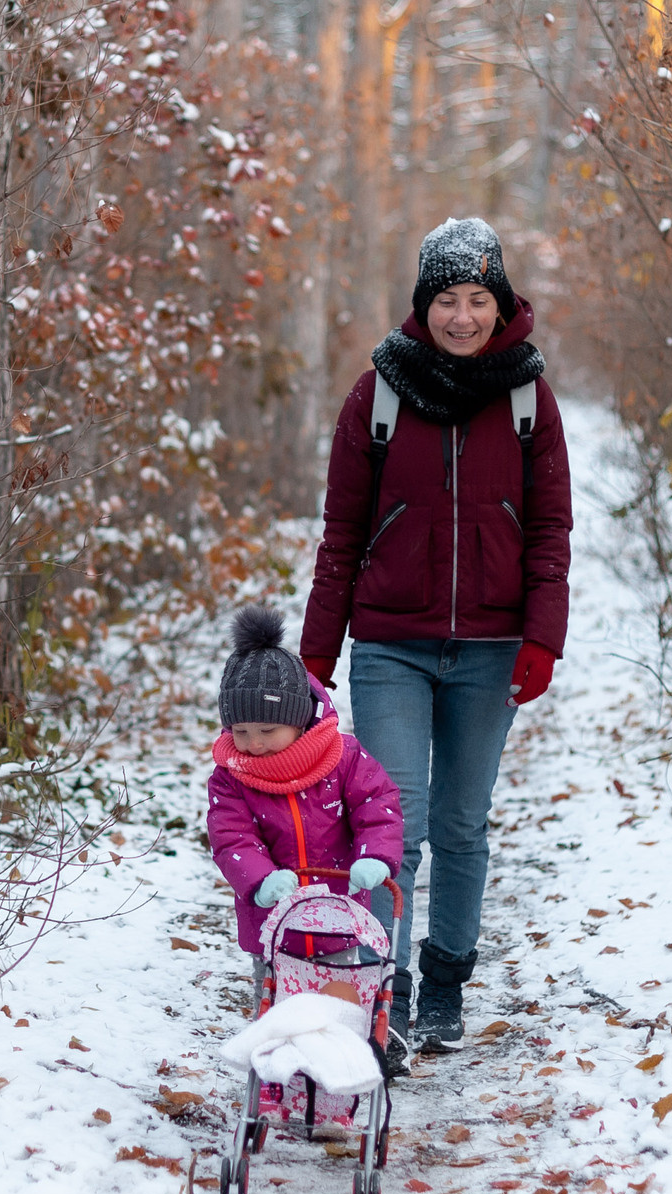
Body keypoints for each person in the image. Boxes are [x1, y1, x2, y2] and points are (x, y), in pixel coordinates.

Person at [300, 216, 572, 1052]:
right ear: (424, 304)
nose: (462, 316)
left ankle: (447, 981)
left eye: (477, 299)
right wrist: (318, 649)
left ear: (501, 303)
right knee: (394, 825)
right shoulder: (378, 391)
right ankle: (389, 984)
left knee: (461, 823)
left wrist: (542, 637)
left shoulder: (527, 396)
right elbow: (342, 530)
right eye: (447, 299)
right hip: (392, 646)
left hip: (492, 651)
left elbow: (550, 529)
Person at [204, 606, 412, 1077]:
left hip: (339, 917)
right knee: (277, 1007)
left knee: (337, 1010)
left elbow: (377, 805)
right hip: (272, 922)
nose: (253, 745)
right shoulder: (231, 777)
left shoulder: (341, 759)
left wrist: (375, 858)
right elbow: (231, 834)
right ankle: (279, 1085)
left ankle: (334, 1087)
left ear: (298, 720)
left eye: (267, 731)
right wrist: (259, 880)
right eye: (241, 732)